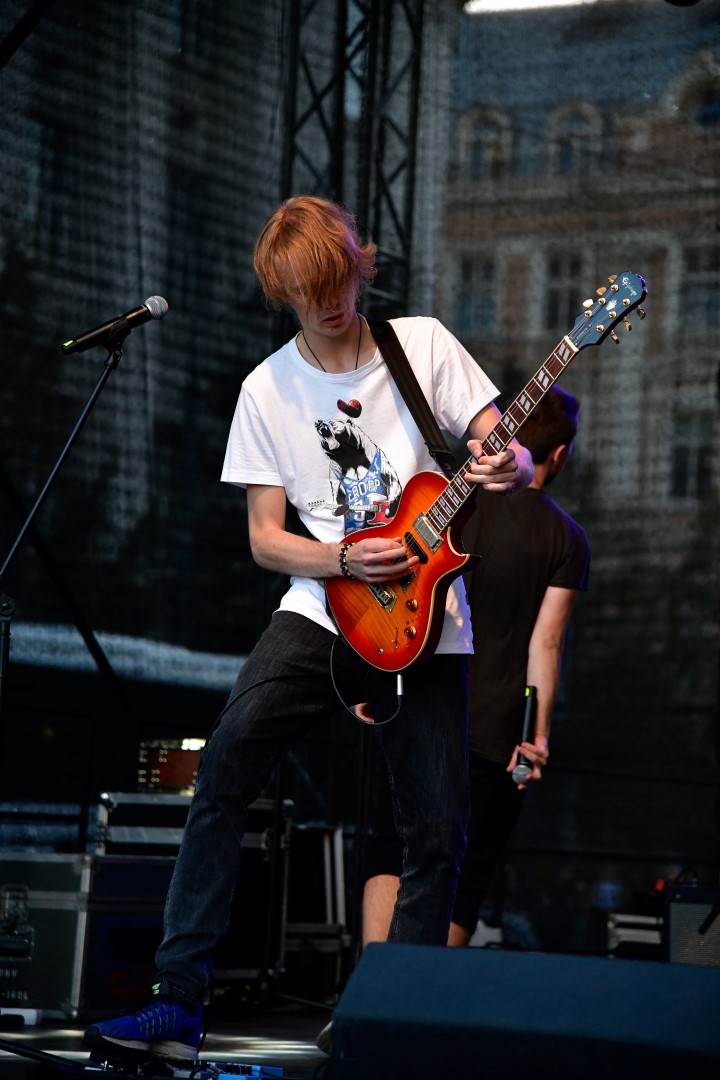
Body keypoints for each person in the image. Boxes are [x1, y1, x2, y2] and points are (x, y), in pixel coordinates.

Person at [81, 195, 533, 1066]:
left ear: (361, 267)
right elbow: (265, 539)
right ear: (282, 291)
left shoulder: (422, 345)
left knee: (436, 830)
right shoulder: (267, 388)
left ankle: (397, 1021)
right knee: (223, 771)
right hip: (320, 610)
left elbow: (498, 443)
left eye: (338, 280)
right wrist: (342, 560)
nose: (328, 302)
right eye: (307, 290)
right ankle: (177, 1004)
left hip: (426, 619)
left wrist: (506, 460)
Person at [362, 385, 590, 947]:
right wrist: (536, 735)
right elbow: (546, 644)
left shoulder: (452, 501)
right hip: (493, 734)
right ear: (560, 454)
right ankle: (421, 1000)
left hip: (418, 694)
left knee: (393, 849)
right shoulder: (567, 539)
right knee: (461, 878)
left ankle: (367, 992)